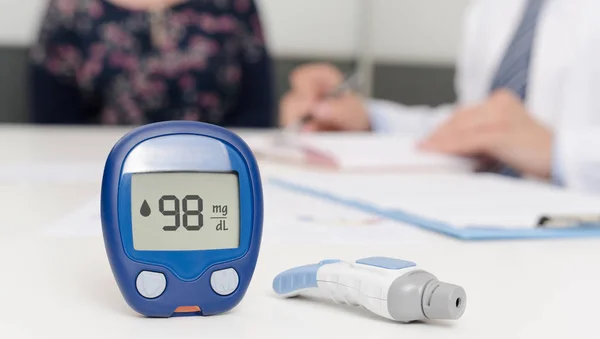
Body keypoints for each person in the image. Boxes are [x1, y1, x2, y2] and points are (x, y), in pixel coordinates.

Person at [280, 0, 600, 193]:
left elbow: (520, 137)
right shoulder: (494, 9)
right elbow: (478, 126)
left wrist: (560, 153)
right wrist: (368, 120)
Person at [29, 0, 273, 127]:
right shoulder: (69, 10)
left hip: (214, 173)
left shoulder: (234, 6)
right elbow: (52, 122)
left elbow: (257, 113)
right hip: (98, 175)